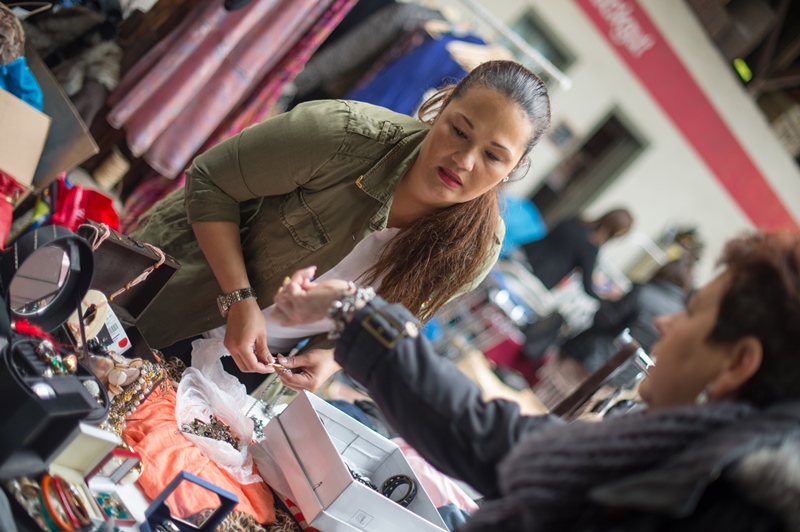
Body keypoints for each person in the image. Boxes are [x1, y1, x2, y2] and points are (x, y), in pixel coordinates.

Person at [272, 230, 800, 531]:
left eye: (694, 313)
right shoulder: (676, 450)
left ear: (735, 365)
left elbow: (493, 444)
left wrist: (357, 312)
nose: (665, 322)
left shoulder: (704, 494)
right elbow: (498, 439)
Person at [131, 60, 552, 392]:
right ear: (440, 108)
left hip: (245, 373)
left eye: (494, 156)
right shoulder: (343, 135)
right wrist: (238, 299)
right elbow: (210, 180)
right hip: (168, 300)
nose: (464, 160)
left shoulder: (474, 250)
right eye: (459, 131)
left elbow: (396, 319)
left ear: (516, 168)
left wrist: (332, 356)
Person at [560, 255, 695, 377]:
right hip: (620, 376)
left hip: (588, 359)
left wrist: (611, 302)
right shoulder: (680, 316)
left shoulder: (642, 291)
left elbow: (602, 320)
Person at [521, 208, 633, 299]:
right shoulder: (590, 248)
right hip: (535, 279)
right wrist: (608, 297)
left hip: (522, 255)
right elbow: (588, 288)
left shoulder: (575, 221)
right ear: (617, 232)